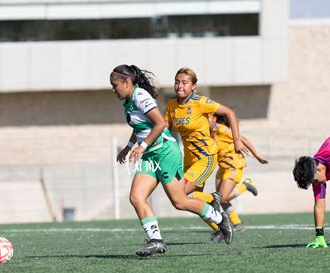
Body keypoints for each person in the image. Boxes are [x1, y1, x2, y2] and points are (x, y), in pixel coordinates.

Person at [110, 64, 233, 257]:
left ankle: (219, 218)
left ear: (127, 82)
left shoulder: (140, 96)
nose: (113, 89)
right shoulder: (128, 100)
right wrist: (128, 146)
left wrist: (141, 147)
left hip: (165, 152)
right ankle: (156, 241)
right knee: (136, 197)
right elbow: (141, 126)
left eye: (115, 85)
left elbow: (159, 124)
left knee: (180, 201)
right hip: (150, 154)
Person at [164, 67, 249, 243]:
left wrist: (237, 140)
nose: (180, 85)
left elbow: (229, 113)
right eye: (177, 81)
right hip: (187, 160)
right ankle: (220, 228)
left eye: (184, 82)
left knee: (179, 196)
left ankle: (214, 198)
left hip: (206, 158)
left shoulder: (200, 101)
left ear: (194, 86)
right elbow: (165, 127)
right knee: (189, 201)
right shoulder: (172, 105)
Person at [210, 114, 268, 231]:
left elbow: (242, 138)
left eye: (208, 117)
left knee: (221, 197)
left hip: (234, 165)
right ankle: (237, 223)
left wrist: (257, 156)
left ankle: (245, 186)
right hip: (222, 166)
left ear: (215, 118)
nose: (205, 120)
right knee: (221, 199)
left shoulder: (220, 128)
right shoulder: (208, 131)